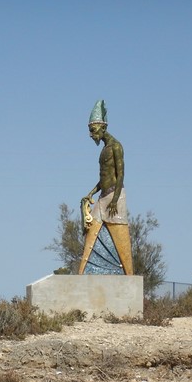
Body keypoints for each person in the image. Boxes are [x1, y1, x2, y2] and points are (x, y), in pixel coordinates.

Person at [79, 100, 134, 275]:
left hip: (114, 196)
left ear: (103, 128)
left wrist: (115, 200)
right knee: (90, 231)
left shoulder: (116, 146)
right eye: (90, 131)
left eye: (93, 130)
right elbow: (104, 178)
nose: (91, 135)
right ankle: (82, 275)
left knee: (120, 234)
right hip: (104, 196)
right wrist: (90, 193)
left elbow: (120, 174)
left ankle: (128, 275)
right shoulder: (104, 149)